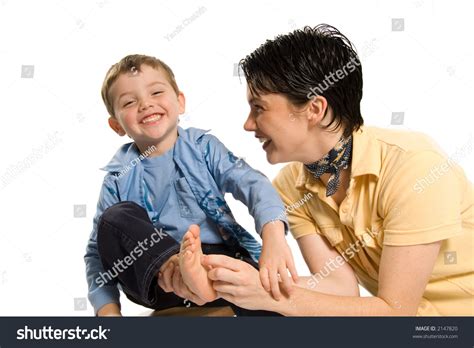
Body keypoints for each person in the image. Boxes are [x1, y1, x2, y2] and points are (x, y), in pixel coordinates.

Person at [200, 24, 473, 316]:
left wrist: (270, 298)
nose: (248, 124)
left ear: (314, 109)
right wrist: (245, 282)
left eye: (259, 108)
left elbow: (396, 314)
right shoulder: (289, 186)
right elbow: (337, 287)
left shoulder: (414, 166)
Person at [84, 54, 298, 316]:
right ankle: (179, 269)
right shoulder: (117, 176)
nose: (145, 104)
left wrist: (274, 235)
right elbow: (97, 252)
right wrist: (108, 312)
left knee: (274, 302)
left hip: (218, 261)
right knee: (114, 218)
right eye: (129, 102)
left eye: (156, 92)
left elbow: (252, 184)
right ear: (116, 125)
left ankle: (200, 278)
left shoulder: (203, 147)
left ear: (180, 102)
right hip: (158, 278)